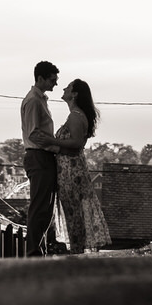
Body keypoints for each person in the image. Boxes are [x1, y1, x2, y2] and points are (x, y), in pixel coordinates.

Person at [49, 78, 111, 254]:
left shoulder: (75, 116)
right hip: (71, 169)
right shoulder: (76, 114)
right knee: (74, 212)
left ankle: (77, 252)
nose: (64, 88)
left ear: (74, 94)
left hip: (70, 171)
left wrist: (51, 141)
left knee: (74, 213)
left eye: (68, 87)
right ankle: (77, 251)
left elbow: (76, 142)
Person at [20, 60, 61, 256]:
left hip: (43, 156)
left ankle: (38, 249)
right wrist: (57, 146)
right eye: (53, 79)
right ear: (40, 78)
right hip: (39, 156)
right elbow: (33, 133)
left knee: (46, 207)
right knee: (39, 206)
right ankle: (33, 251)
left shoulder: (40, 99)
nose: (56, 83)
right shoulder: (34, 101)